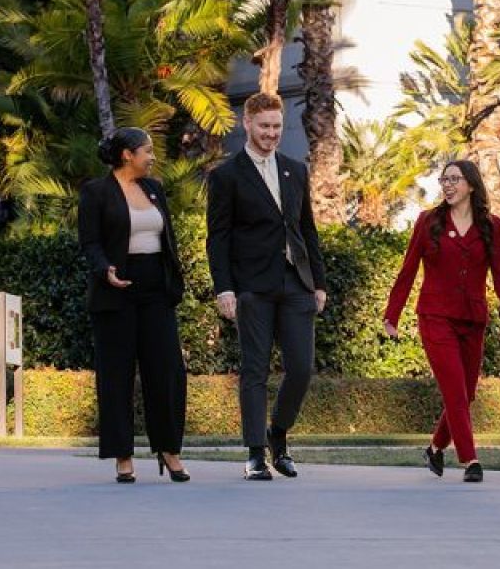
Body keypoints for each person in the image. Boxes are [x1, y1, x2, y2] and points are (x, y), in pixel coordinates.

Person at [206, 92, 328, 481]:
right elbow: (218, 238)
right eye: (265, 127)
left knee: (301, 368)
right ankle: (256, 453)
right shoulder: (226, 176)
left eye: (277, 127)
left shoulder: (296, 169)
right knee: (254, 370)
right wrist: (224, 288)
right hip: (252, 286)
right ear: (248, 124)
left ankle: (279, 434)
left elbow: (306, 229)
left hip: (296, 283)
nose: (272, 133)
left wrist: (319, 283)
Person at [383, 160, 500, 483]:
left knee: (466, 394)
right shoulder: (429, 222)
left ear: (471, 184)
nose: (448, 185)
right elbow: (408, 269)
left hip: (473, 319)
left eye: (455, 179)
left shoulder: (492, 225)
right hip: (435, 317)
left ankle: (435, 447)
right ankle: (470, 459)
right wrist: (392, 314)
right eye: (444, 180)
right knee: (455, 391)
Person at [78, 127, 189, 484]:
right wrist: (104, 268)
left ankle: (169, 450)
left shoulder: (154, 189)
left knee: (167, 370)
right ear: (127, 155)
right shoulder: (96, 192)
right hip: (115, 290)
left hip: (155, 287)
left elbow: (165, 236)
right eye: (147, 151)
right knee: (116, 375)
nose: (152, 156)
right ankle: (122, 456)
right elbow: (90, 242)